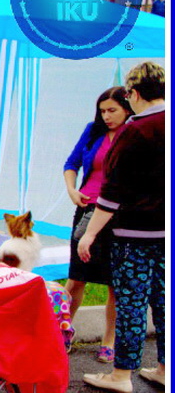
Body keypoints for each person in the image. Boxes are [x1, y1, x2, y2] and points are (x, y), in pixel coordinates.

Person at [79, 62, 165, 393]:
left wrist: (89, 234)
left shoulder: (135, 131)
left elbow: (112, 192)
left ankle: (121, 374)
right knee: (164, 301)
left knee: (131, 304)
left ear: (134, 94)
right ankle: (164, 368)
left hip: (133, 235)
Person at [62, 86, 134, 362]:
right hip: (87, 210)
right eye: (102, 111)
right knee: (76, 277)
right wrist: (72, 190)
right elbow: (71, 163)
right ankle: (62, 331)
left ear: (127, 109)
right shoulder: (93, 131)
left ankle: (109, 340)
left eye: (112, 110)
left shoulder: (134, 133)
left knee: (115, 281)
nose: (106, 116)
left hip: (119, 214)